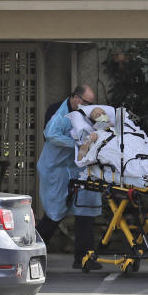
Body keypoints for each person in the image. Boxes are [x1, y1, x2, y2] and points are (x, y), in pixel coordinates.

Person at [36, 84, 103, 270]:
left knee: (85, 212)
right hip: (56, 168)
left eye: (91, 103)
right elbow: (50, 135)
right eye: (86, 102)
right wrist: (77, 143)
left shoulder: (88, 113)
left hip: (78, 169)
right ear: (75, 98)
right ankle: (31, 253)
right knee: (54, 214)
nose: (89, 106)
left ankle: (84, 258)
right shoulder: (57, 111)